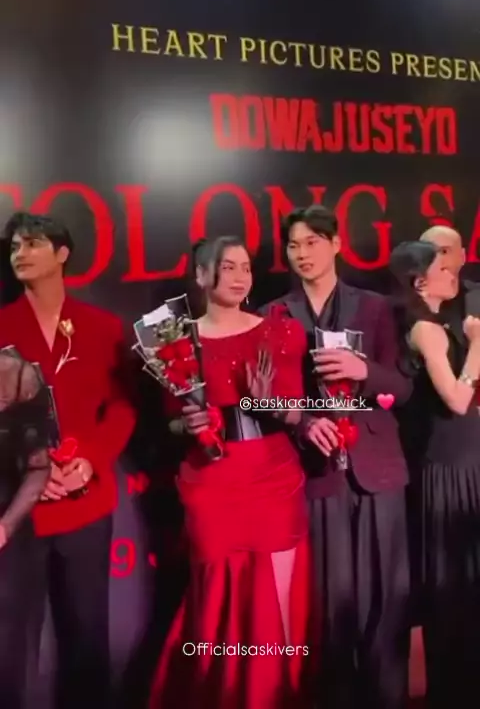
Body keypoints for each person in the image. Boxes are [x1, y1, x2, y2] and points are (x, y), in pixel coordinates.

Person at [149, 236, 312, 709]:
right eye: (228, 267)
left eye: (246, 267)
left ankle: (281, 694)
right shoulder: (175, 342)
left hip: (272, 478)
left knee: (279, 594)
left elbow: (297, 412)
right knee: (217, 597)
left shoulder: (280, 331)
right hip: (211, 482)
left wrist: (268, 404)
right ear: (202, 275)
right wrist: (188, 424)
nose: (241, 277)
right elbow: (170, 421)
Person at [261, 205, 412, 709]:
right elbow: (261, 399)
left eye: (312, 242)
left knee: (386, 603)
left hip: (378, 471)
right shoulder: (273, 315)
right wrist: (304, 422)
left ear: (336, 244)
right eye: (293, 245)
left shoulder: (376, 308)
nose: (302, 254)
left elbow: (402, 390)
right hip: (315, 471)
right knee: (330, 605)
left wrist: (363, 370)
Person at [0, 211, 136, 709]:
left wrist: (92, 459)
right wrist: (30, 472)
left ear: (62, 254)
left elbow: (122, 406)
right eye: (14, 246)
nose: (20, 253)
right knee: (10, 645)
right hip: (17, 510)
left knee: (86, 640)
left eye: (32, 243)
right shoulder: (2, 325)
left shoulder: (102, 327)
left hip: (85, 502)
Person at [390, 240, 480, 708]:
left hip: (465, 462)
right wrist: (479, 344)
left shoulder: (440, 324)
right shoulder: (427, 329)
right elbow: (458, 399)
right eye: (443, 269)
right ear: (420, 280)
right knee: (455, 588)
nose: (453, 275)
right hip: (448, 471)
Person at [0, 350, 51, 708]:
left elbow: (38, 467)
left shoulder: (17, 375)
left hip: (6, 533)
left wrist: (5, 526)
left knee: (7, 656)